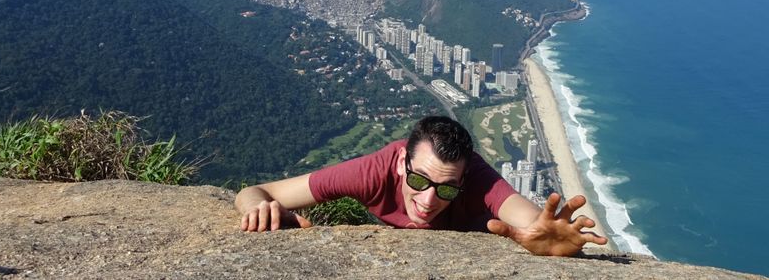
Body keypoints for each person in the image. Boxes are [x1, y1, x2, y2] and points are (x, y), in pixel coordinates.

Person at [235, 115, 607, 256]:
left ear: (463, 179)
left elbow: (530, 224)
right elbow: (256, 191)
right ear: (401, 163)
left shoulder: (477, 178)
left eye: (446, 188)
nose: (428, 200)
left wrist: (550, 241)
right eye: (418, 180)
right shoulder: (372, 171)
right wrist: (258, 209)